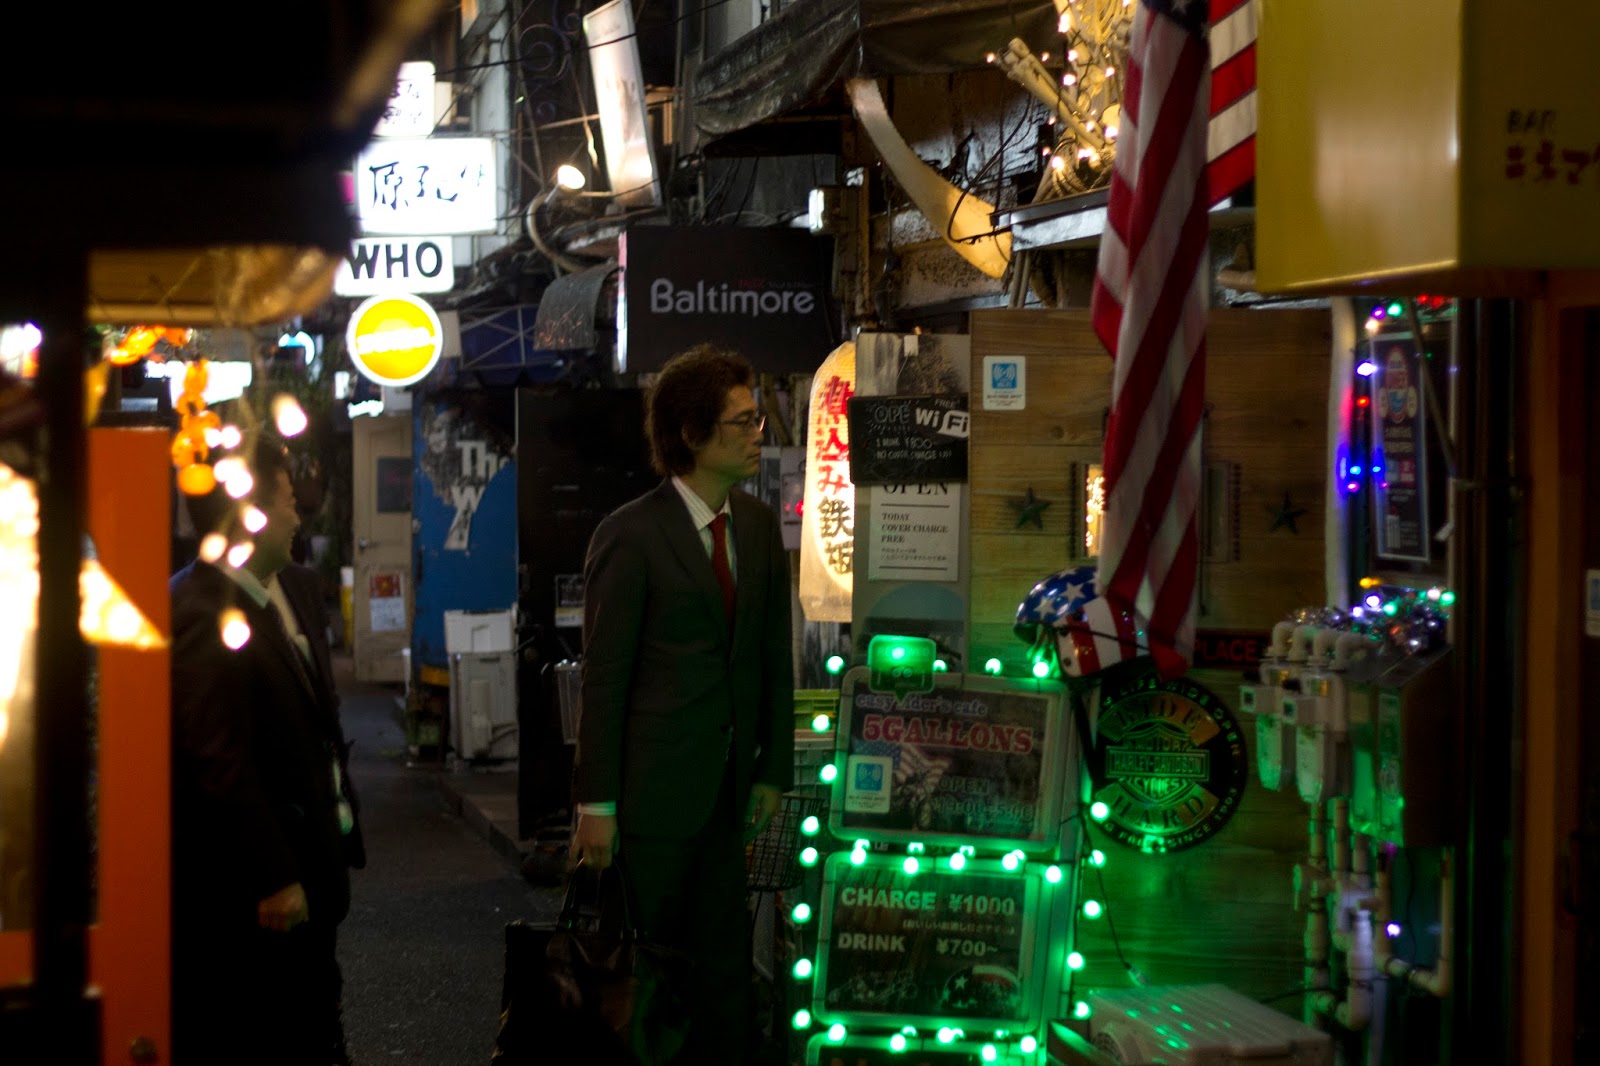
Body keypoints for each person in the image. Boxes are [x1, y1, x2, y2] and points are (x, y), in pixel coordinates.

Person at [573, 344, 795, 1065]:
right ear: (693, 434)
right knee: (642, 977)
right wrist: (596, 804)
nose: (758, 433)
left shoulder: (756, 526)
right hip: (649, 802)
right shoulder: (631, 535)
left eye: (757, 419)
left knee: (724, 976)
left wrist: (772, 769)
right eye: (743, 421)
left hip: (728, 797)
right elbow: (605, 677)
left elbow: (772, 658)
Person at [170, 435, 365, 1065]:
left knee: (316, 1021)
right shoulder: (201, 609)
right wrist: (273, 874)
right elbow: (219, 757)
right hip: (260, 896)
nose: (298, 515)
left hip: (313, 866)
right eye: (286, 501)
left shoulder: (284, 587)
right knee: (274, 1031)